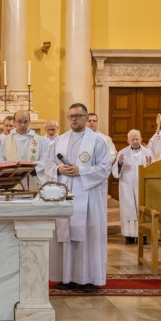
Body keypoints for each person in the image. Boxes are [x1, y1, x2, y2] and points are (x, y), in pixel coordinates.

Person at [39, 103, 112, 293]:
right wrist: (58, 169)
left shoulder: (97, 141)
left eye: (77, 116)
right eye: (70, 116)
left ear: (86, 118)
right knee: (65, 236)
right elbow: (46, 164)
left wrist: (82, 171)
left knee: (87, 236)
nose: (73, 119)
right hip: (64, 194)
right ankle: (66, 277)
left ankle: (88, 278)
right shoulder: (59, 141)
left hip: (88, 196)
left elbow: (105, 168)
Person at [0, 109, 47, 190]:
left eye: (25, 121)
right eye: (19, 121)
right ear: (14, 122)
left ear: (29, 121)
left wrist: (33, 167)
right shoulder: (5, 140)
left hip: (32, 182)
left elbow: (45, 159)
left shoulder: (39, 140)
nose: (22, 125)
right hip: (11, 183)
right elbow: (1, 160)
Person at [112, 130, 153, 244]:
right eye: (132, 139)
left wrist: (149, 166)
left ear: (141, 139)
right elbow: (115, 171)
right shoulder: (122, 152)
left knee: (142, 210)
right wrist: (120, 164)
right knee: (128, 210)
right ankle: (129, 236)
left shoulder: (148, 152)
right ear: (128, 141)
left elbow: (153, 169)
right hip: (127, 187)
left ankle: (143, 236)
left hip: (142, 187)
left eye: (137, 139)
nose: (135, 141)